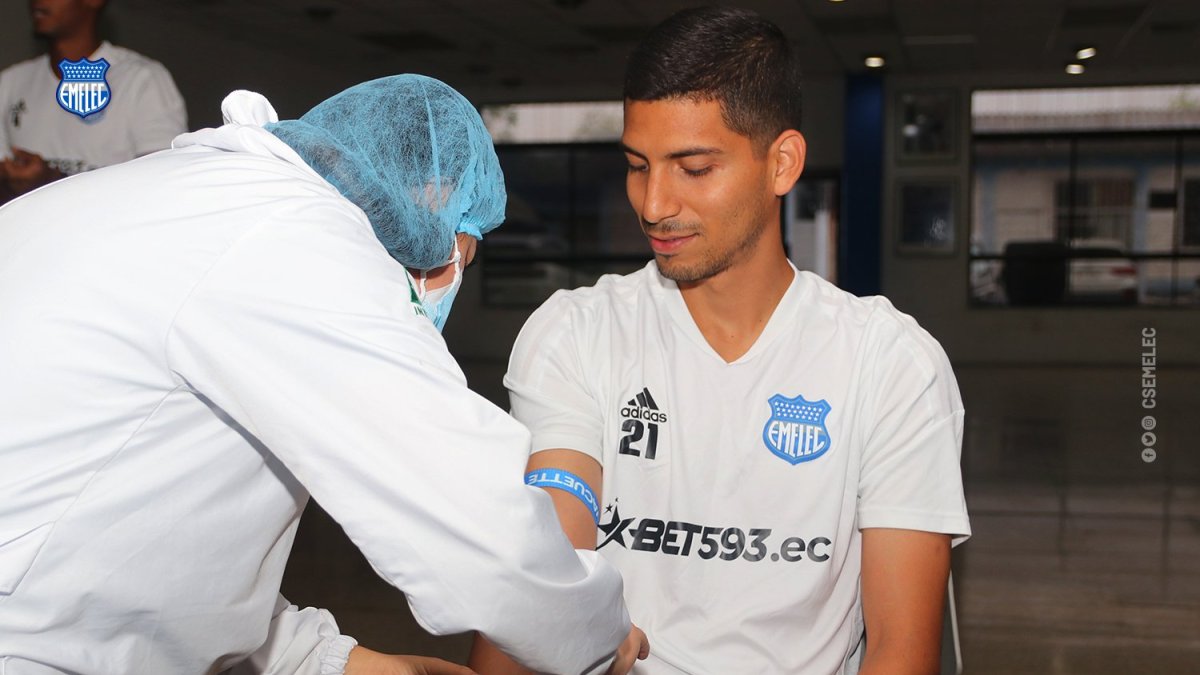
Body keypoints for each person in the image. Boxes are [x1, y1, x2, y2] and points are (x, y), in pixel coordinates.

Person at [0, 75, 645, 675]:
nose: (450, 285)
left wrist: (347, 662)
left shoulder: (197, 201)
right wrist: (596, 637)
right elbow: (479, 530)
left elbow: (162, 557)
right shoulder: (297, 239)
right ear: (425, 207)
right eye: (460, 254)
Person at [470, 7, 970, 674]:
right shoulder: (577, 334)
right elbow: (540, 584)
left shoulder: (890, 364)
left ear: (782, 163)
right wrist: (550, 624)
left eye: (694, 168)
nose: (652, 203)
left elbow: (900, 654)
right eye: (638, 165)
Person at [0, 0, 186, 202]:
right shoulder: (12, 81)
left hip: (109, 231)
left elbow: (161, 185)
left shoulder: (140, 79)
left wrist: (52, 181)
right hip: (29, 231)